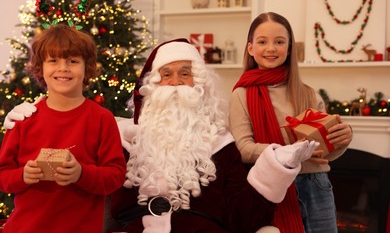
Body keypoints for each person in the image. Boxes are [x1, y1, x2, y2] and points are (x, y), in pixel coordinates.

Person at [4, 38, 318, 233]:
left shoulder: (222, 146)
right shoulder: (121, 133)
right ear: (151, 86)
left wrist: (276, 168)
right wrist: (27, 111)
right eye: (166, 75)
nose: (176, 83)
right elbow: (63, 133)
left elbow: (244, 221)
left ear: (201, 86)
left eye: (185, 74)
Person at [229, 12, 353, 233]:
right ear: (250, 48)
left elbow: (323, 153)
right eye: (262, 41)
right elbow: (243, 149)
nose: (271, 48)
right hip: (274, 188)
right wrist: (290, 153)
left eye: (279, 42)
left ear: (289, 48)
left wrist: (342, 140)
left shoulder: (308, 93)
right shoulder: (241, 95)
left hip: (317, 184)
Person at [0, 24, 127, 232]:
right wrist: (22, 176)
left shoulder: (102, 119)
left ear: (88, 68)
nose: (63, 68)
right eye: (53, 60)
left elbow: (116, 176)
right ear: (40, 67)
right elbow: (3, 174)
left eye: (73, 61)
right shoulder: (23, 118)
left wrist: (81, 174)